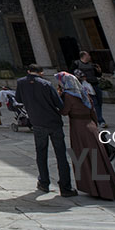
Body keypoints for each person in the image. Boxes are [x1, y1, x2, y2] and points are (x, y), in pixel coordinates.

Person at [56, 71, 115, 200]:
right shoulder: (84, 93)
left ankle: (94, 188)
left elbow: (64, 112)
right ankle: (107, 188)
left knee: (84, 157)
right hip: (91, 127)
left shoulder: (68, 96)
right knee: (98, 158)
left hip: (79, 128)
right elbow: (93, 111)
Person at [15, 64, 77, 197]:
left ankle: (43, 182)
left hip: (37, 122)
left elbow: (18, 99)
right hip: (53, 122)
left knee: (41, 153)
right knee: (61, 155)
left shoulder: (21, 83)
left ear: (28, 71)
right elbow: (59, 105)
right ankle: (65, 187)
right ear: (41, 73)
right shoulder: (46, 84)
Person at [72, 51, 106, 127]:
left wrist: (99, 71)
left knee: (99, 102)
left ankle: (96, 118)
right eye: (88, 55)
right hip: (86, 86)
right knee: (95, 103)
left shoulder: (91, 65)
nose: (90, 57)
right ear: (84, 56)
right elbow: (72, 74)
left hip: (95, 84)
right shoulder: (76, 64)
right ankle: (100, 120)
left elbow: (97, 75)